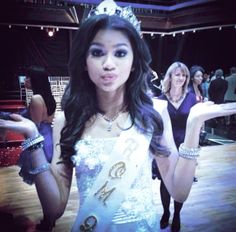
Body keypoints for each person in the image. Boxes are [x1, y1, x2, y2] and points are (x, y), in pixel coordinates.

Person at [0, 1, 236, 231]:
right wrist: (32, 137)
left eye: (121, 53)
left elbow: (179, 190)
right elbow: (54, 209)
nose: (108, 63)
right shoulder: (67, 122)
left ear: (134, 61)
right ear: (84, 61)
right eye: (97, 52)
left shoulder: (154, 114)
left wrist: (193, 125)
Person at [152, 62, 197, 232]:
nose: (181, 78)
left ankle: (177, 214)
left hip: (185, 146)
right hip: (166, 146)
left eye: (184, 75)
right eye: (177, 74)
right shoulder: (160, 99)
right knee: (165, 182)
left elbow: (195, 124)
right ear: (170, 76)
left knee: (181, 182)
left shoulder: (191, 98)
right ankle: (165, 212)